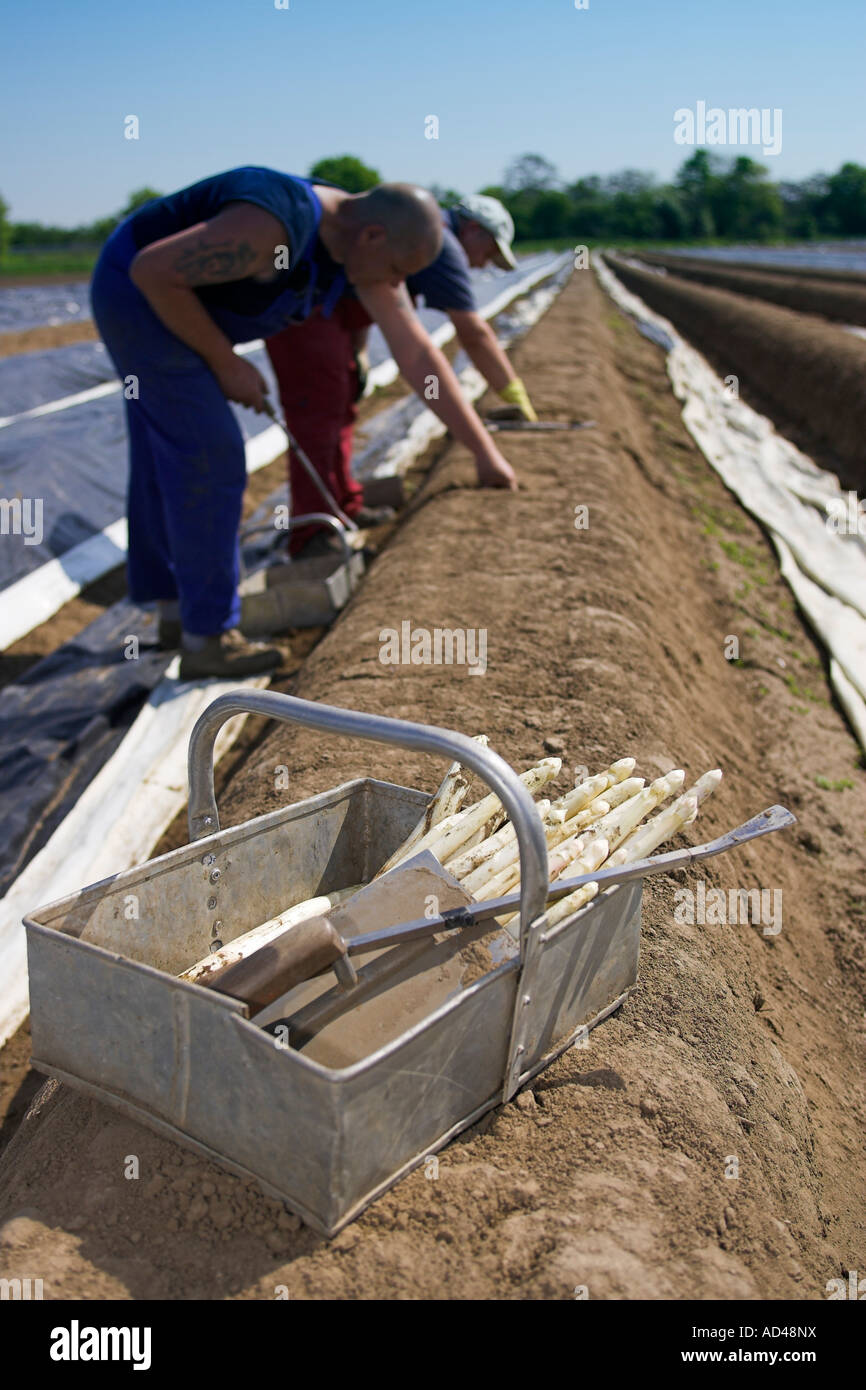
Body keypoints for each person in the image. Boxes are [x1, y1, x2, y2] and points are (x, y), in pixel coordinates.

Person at [90, 168, 517, 678]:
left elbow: (416, 353)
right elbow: (153, 271)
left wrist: (485, 455)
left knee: (170, 450)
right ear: (374, 236)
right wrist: (226, 362)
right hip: (140, 299)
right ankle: (209, 639)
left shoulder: (361, 252)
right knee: (210, 454)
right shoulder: (277, 221)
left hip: (173, 299)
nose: (396, 285)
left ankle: (176, 614)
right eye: (399, 270)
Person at [265, 193, 535, 551]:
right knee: (318, 412)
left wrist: (358, 351)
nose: (482, 264)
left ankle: (343, 505)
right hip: (305, 310)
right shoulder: (441, 246)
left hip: (332, 313)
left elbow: (362, 289)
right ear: (474, 230)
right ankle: (313, 533)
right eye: (487, 253)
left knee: (340, 405)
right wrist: (506, 404)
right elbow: (470, 335)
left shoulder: (416, 232)